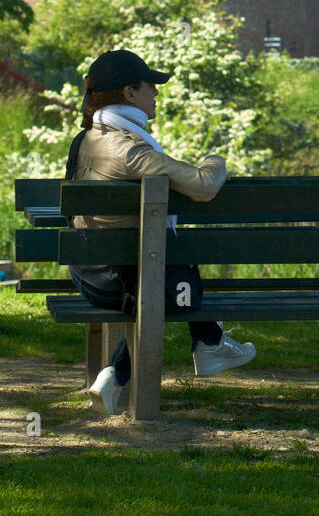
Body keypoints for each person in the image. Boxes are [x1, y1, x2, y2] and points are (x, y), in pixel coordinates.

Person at [64, 48, 255, 414]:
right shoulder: (129, 149)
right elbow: (202, 185)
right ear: (128, 93)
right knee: (172, 271)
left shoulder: (88, 138)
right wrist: (217, 161)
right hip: (121, 284)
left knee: (163, 270)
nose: (156, 94)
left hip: (87, 274)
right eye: (150, 86)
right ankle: (203, 345)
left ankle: (202, 345)